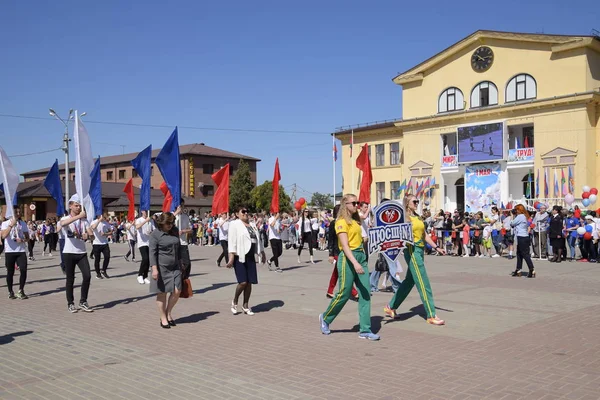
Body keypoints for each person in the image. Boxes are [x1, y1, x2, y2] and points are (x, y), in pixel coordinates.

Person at [319, 194, 380, 341]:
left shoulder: (355, 221)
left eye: (357, 203)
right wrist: (355, 262)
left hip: (360, 255)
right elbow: (345, 245)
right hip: (347, 258)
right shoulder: (340, 221)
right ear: (345, 204)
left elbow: (358, 238)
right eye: (354, 203)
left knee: (365, 293)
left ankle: (365, 329)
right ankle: (326, 318)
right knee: (344, 293)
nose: (356, 205)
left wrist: (366, 240)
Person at [383, 195, 446, 326]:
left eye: (418, 201)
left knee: (409, 281)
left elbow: (424, 235)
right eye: (414, 201)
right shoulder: (403, 218)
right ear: (407, 203)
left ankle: (391, 306)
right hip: (411, 250)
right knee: (423, 282)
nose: (417, 203)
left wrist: (436, 247)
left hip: (420, 250)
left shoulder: (417, 216)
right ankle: (431, 314)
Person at [227, 205, 266, 316]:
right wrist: (231, 257)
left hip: (250, 256)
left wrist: (262, 253)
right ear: (237, 214)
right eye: (242, 211)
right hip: (240, 256)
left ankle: (245, 305)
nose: (245, 213)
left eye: (246, 211)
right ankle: (234, 301)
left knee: (249, 283)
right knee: (243, 282)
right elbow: (232, 242)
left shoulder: (252, 225)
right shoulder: (234, 224)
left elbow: (258, 240)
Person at [59, 194, 94, 313]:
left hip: (81, 253)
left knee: (87, 276)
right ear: (70, 206)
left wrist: (88, 236)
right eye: (76, 205)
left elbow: (92, 235)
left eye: (80, 206)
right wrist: (79, 216)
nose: (78, 207)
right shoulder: (65, 218)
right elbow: (63, 225)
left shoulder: (84, 221)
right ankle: (70, 303)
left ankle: (83, 301)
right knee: (70, 278)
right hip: (69, 253)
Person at [148, 212, 183, 329]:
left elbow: (179, 248)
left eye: (172, 223)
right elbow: (152, 253)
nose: (171, 225)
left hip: (175, 266)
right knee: (162, 293)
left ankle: (168, 312)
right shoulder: (155, 234)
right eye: (168, 223)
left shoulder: (174, 231)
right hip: (161, 268)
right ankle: (163, 317)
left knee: (177, 291)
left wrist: (182, 262)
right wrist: (154, 269)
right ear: (162, 223)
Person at [326, 204, 359, 300]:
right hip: (337, 251)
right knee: (344, 272)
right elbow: (331, 240)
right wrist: (330, 254)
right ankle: (354, 292)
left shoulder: (345, 222)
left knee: (337, 272)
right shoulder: (334, 223)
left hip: (344, 250)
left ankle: (330, 291)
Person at [1, 206, 30, 299]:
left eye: (19, 212)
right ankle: (10, 291)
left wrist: (23, 240)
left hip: (21, 251)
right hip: (10, 251)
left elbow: (27, 238)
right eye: (16, 212)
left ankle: (21, 290)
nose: (18, 214)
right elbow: (4, 235)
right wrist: (11, 225)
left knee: (24, 270)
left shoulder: (22, 224)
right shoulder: (5, 223)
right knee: (10, 272)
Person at [510, 204, 536, 278]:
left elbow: (512, 223)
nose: (515, 211)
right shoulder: (524, 216)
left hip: (522, 237)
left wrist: (512, 217)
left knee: (525, 254)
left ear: (519, 210)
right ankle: (518, 269)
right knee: (519, 253)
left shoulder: (520, 216)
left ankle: (532, 269)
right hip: (523, 236)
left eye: (516, 209)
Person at [174, 200, 192, 280]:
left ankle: (184, 279)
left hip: (183, 242)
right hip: (174, 243)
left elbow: (190, 229)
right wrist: (176, 213)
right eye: (180, 205)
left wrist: (184, 231)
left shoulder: (185, 216)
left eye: (183, 205)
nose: (182, 207)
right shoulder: (172, 216)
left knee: (187, 263)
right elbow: (167, 224)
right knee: (176, 264)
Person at [90, 214, 112, 279]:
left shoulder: (106, 223)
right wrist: (99, 220)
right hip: (96, 243)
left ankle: (104, 270)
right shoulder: (94, 222)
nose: (104, 217)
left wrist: (105, 234)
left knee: (107, 257)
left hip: (104, 243)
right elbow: (93, 227)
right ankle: (98, 273)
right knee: (97, 259)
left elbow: (111, 232)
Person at [136, 210, 154, 284]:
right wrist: (145, 221)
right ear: (142, 211)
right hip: (142, 242)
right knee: (145, 258)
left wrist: (151, 232)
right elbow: (137, 227)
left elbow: (153, 230)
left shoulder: (151, 221)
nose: (146, 212)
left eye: (147, 211)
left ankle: (145, 276)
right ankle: (140, 275)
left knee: (149, 260)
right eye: (145, 211)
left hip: (149, 242)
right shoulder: (139, 220)